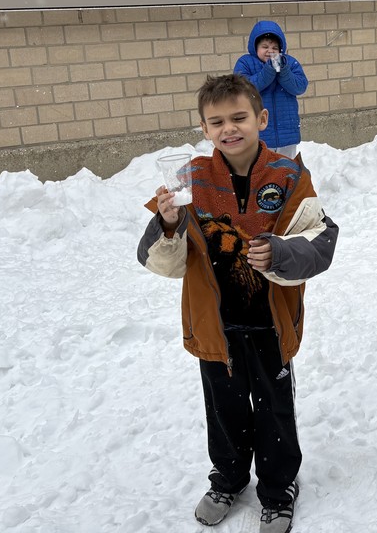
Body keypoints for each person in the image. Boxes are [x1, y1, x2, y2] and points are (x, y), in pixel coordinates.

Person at [137, 74, 338, 533]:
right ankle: (228, 477)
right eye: (216, 121)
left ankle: (278, 485)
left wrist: (281, 253)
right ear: (204, 129)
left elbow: (320, 240)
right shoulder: (189, 179)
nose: (229, 128)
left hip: (270, 322)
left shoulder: (289, 176)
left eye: (239, 117)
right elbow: (160, 262)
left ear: (261, 119)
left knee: (274, 408)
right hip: (215, 324)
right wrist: (167, 224)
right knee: (223, 408)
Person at [234, 19, 309, 158]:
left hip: (287, 133)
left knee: (287, 171)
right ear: (255, 47)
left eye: (275, 48)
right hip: (257, 134)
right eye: (265, 47)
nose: (270, 51)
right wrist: (268, 72)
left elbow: (300, 87)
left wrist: (284, 71)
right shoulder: (245, 63)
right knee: (261, 173)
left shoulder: (289, 62)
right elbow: (242, 89)